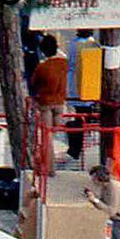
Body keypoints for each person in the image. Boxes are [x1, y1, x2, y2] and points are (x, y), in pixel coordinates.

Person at [31, 35, 68, 164]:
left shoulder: (43, 67)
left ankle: (49, 167)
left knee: (47, 138)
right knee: (58, 134)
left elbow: (34, 82)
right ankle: (61, 158)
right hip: (60, 102)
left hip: (45, 103)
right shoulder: (64, 63)